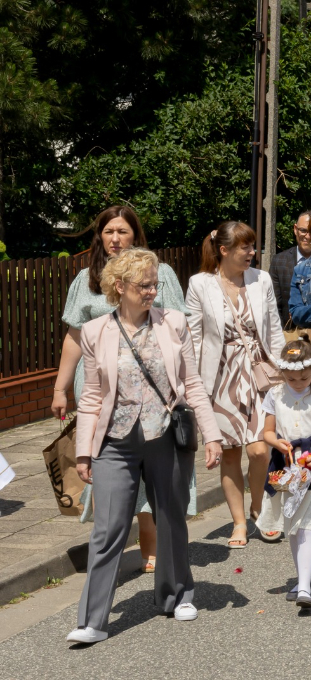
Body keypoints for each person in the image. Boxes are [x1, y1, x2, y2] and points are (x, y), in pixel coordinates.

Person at [66, 248, 223, 644]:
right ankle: (93, 620)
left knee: (171, 517)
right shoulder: (94, 331)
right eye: (144, 285)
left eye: (155, 283)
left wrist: (212, 435)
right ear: (120, 287)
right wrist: (83, 451)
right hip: (114, 443)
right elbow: (90, 398)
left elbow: (191, 384)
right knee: (109, 527)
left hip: (165, 435)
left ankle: (177, 594)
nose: (153, 290)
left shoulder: (174, 323)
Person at [51, 205, 187, 575]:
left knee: (153, 466)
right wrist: (61, 388)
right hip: (102, 385)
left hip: (153, 387)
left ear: (135, 235)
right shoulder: (87, 279)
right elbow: (75, 336)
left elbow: (179, 329)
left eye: (122, 232)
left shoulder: (163, 275)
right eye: (108, 232)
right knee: (107, 466)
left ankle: (151, 549)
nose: (115, 239)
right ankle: (109, 549)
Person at [186, 221, 286, 548]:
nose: (251, 253)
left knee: (259, 450)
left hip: (258, 371)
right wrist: (194, 385)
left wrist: (286, 370)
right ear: (224, 250)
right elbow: (195, 338)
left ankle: (257, 506)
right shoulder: (200, 284)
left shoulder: (262, 280)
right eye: (245, 247)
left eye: (252, 246)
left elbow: (273, 330)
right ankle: (239, 523)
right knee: (229, 454)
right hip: (219, 376)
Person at [258, 340, 311, 609]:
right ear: (282, 373)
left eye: (304, 377)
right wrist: (276, 442)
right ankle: (301, 579)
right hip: (286, 467)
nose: (297, 382)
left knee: (306, 524)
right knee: (293, 527)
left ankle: (305, 587)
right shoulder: (274, 394)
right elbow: (267, 431)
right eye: (291, 378)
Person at [271, 210, 311, 328]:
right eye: (303, 230)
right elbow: (274, 307)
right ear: (295, 229)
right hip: (289, 334)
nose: (307, 236)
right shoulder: (279, 262)